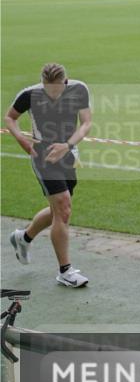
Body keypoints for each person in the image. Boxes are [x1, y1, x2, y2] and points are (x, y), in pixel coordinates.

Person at [5, 63, 92, 287]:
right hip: (43, 157)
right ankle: (65, 271)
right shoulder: (30, 94)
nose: (53, 95)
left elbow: (86, 123)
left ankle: (23, 237)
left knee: (59, 210)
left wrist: (67, 145)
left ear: (65, 82)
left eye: (57, 90)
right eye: (48, 90)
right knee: (63, 208)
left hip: (68, 155)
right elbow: (10, 118)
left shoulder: (79, 89)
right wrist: (21, 138)